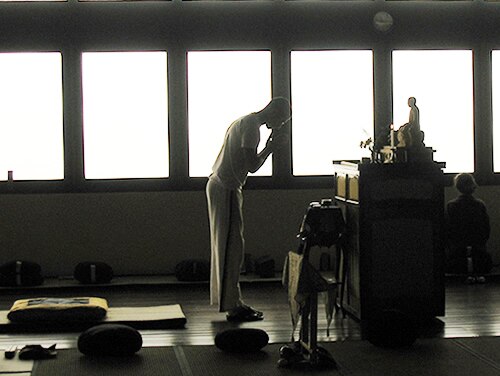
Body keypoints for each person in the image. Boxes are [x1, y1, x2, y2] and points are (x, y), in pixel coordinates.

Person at [206, 97, 291, 322]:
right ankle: (232, 305)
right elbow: (252, 166)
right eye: (282, 120)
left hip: (221, 184)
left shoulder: (244, 122)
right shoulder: (253, 129)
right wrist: (271, 148)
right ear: (274, 112)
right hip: (226, 187)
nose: (281, 125)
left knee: (228, 246)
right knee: (230, 248)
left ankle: (231, 301)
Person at [446, 173, 492, 283]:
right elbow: (486, 230)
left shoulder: (451, 206)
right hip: (479, 251)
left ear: (458, 187)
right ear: (473, 186)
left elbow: (448, 230)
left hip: (457, 253)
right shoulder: (480, 205)